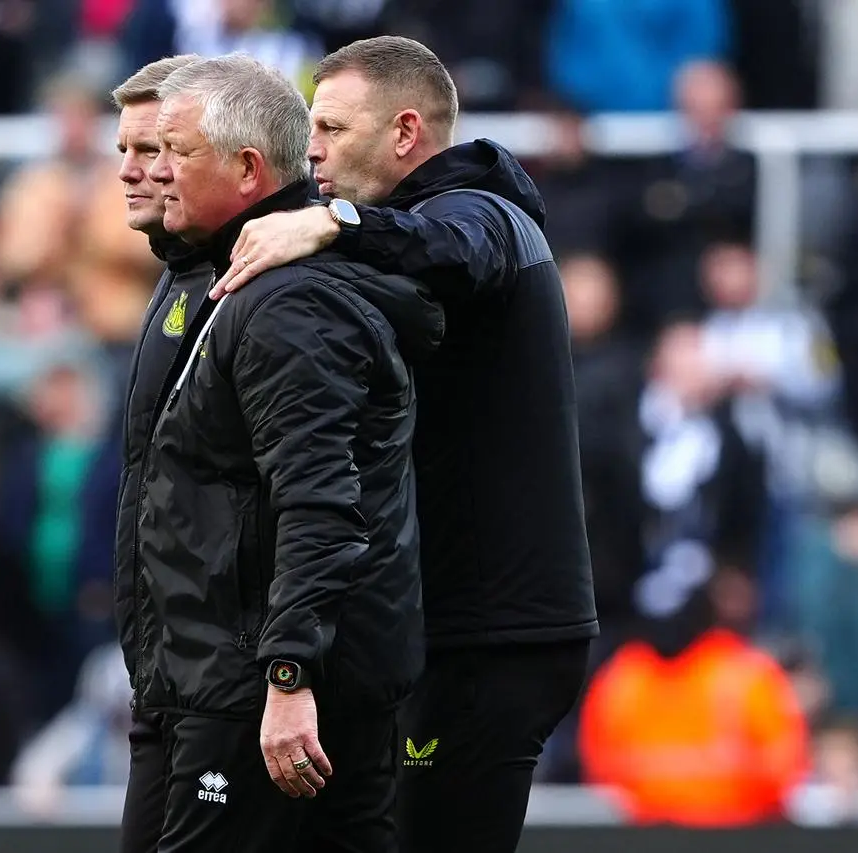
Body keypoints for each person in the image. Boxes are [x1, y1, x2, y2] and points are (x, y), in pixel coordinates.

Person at [213, 36, 599, 853]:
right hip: (464, 621)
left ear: (405, 132)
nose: (312, 147)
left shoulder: (482, 213)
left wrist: (331, 222)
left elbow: (453, 250)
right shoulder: (421, 230)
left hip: (491, 629)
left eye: (333, 126)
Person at [123, 53, 443, 853]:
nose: (152, 171)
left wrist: (288, 675)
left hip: (253, 693)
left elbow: (320, 500)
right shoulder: (208, 275)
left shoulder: (288, 300)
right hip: (205, 683)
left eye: (174, 151)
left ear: (247, 169)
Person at [108, 53, 215, 853]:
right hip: (169, 675)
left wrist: (284, 675)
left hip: (228, 685)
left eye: (153, 151)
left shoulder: (263, 283)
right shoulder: (177, 278)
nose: (131, 171)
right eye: (126, 152)